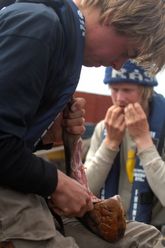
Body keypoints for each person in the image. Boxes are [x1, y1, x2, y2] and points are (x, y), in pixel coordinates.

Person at [0, 0, 165, 247]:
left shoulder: (64, 48)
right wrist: (55, 182)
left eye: (128, 89)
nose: (119, 64)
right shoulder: (39, 26)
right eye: (127, 52)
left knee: (146, 239)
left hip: (20, 187)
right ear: (115, 18)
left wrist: (47, 133)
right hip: (12, 191)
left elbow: (12, 139)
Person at [64, 60, 165, 247]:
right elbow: (86, 191)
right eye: (114, 89)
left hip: (156, 232)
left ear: (145, 91)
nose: (119, 98)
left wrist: (144, 142)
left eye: (127, 90)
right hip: (111, 232)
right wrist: (109, 144)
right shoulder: (104, 128)